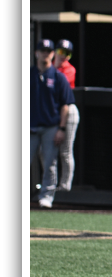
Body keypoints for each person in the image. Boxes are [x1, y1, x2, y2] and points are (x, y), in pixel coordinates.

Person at [31, 39, 76, 208]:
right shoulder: (29, 74)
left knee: (51, 161)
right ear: (36, 53)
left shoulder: (60, 76)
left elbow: (65, 104)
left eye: (48, 51)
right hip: (31, 127)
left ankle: (49, 196)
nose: (45, 53)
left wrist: (61, 128)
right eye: (42, 50)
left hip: (51, 125)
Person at [49, 39, 81, 195]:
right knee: (46, 151)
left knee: (65, 151)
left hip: (68, 111)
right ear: (55, 51)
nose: (63, 56)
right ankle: (50, 184)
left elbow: (57, 89)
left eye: (67, 53)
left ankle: (65, 187)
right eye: (61, 51)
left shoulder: (69, 70)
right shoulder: (47, 68)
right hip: (51, 112)